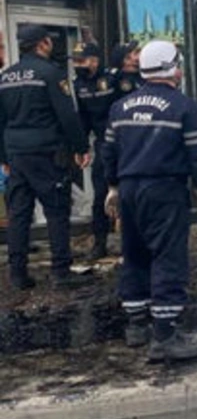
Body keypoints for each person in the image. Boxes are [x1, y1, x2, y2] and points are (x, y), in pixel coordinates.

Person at [102, 40, 197, 360]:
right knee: (168, 257)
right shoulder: (184, 106)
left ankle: (136, 325)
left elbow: (108, 152)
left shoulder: (119, 107)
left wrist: (112, 187)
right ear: (170, 68)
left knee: (134, 252)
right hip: (164, 191)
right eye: (178, 64)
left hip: (128, 190)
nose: (180, 70)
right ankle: (165, 335)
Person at [0, 25, 92, 290]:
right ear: (42, 44)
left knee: (19, 213)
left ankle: (18, 274)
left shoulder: (5, 77)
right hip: (46, 152)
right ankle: (61, 271)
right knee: (56, 211)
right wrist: (81, 147)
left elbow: (0, 120)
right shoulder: (51, 73)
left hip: (17, 153)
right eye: (49, 41)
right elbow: (67, 115)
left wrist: (3, 155)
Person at [72, 41, 117, 260]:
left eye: (82, 60)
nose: (78, 65)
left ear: (95, 60)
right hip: (102, 144)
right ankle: (100, 243)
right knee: (101, 195)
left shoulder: (112, 78)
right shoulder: (78, 84)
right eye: (76, 61)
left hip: (123, 141)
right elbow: (83, 118)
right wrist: (81, 146)